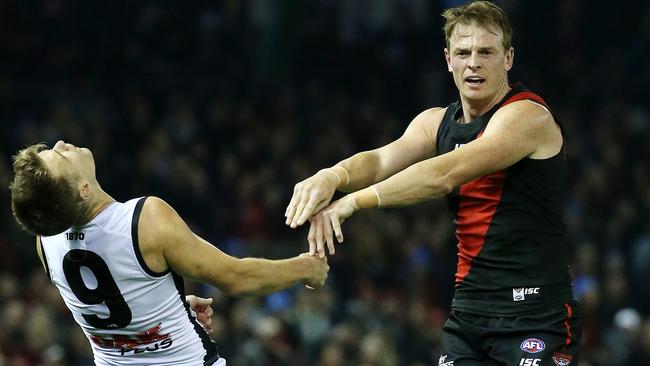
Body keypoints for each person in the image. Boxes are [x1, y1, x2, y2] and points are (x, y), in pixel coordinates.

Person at [285, 1, 580, 365]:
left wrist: (351, 201)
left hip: (535, 312)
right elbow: (380, 160)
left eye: (486, 51)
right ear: (448, 60)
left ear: (508, 59)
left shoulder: (525, 116)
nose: (474, 62)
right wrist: (332, 175)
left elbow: (444, 175)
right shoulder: (436, 122)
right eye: (463, 52)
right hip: (469, 311)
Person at [10, 140, 329, 366]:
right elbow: (237, 279)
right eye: (61, 156)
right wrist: (305, 268)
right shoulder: (144, 219)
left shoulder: (45, 241)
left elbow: (110, 312)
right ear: (83, 190)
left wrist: (168, 305)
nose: (63, 143)